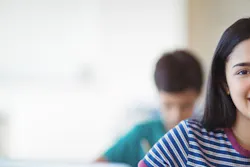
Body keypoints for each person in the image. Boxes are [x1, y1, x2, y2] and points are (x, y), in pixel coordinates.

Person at [138, 17, 250, 167]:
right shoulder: (190, 139)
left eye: (185, 105)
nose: (176, 115)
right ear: (224, 82)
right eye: (243, 72)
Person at [95, 50, 203, 167]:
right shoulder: (142, 134)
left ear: (198, 96)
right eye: (168, 105)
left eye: (185, 106)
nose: (176, 116)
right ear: (158, 94)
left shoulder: (207, 138)